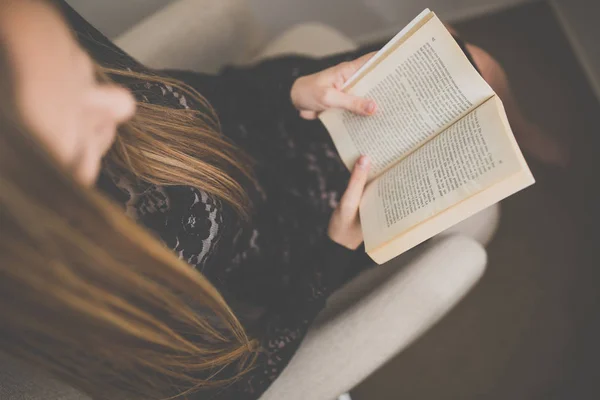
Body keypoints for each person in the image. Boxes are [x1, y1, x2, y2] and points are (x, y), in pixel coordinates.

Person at [0, 1, 561, 400]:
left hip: (271, 122)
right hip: (295, 244)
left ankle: (523, 130)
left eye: (88, 76)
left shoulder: (23, 33)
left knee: (474, 64)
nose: (122, 107)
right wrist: (331, 252)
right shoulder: (80, 303)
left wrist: (294, 89)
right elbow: (231, 385)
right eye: (79, 132)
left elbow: (195, 97)